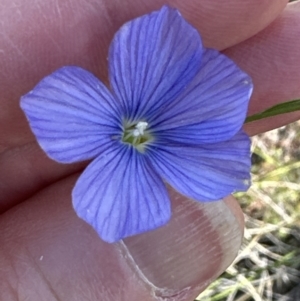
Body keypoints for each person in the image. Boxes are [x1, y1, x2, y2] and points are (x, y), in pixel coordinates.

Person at [0, 0, 299, 300]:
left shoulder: (209, 128)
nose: (136, 133)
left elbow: (224, 161)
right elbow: (53, 107)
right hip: (102, 124)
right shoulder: (71, 109)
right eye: (135, 132)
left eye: (136, 134)